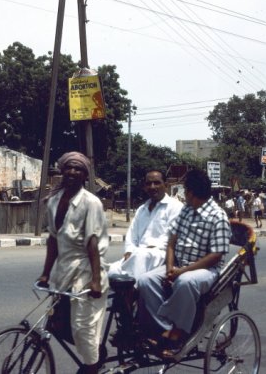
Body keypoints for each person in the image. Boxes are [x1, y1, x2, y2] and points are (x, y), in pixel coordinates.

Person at [137, 169, 231, 356]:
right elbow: (172, 241)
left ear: (190, 193)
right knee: (145, 280)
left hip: (205, 269)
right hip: (178, 264)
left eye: (185, 190)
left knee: (185, 282)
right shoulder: (186, 209)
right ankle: (164, 328)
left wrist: (181, 272)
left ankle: (180, 333)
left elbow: (216, 256)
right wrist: (171, 267)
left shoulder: (218, 216)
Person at [37, 151, 109, 374]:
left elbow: (93, 244)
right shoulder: (54, 201)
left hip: (87, 272)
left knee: (82, 328)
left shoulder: (91, 202)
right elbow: (53, 240)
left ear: (85, 175)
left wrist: (96, 281)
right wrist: (45, 274)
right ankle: (97, 353)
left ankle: (91, 365)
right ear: (62, 170)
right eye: (69, 167)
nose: (73, 172)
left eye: (78, 169)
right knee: (57, 323)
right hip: (64, 271)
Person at [108, 170, 184, 279]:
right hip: (138, 253)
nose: (152, 187)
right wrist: (129, 250)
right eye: (148, 184)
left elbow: (173, 237)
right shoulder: (142, 209)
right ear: (144, 187)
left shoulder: (175, 207)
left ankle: (134, 293)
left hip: (160, 254)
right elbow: (132, 234)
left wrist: (153, 247)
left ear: (166, 185)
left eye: (157, 183)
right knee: (113, 271)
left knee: (138, 262)